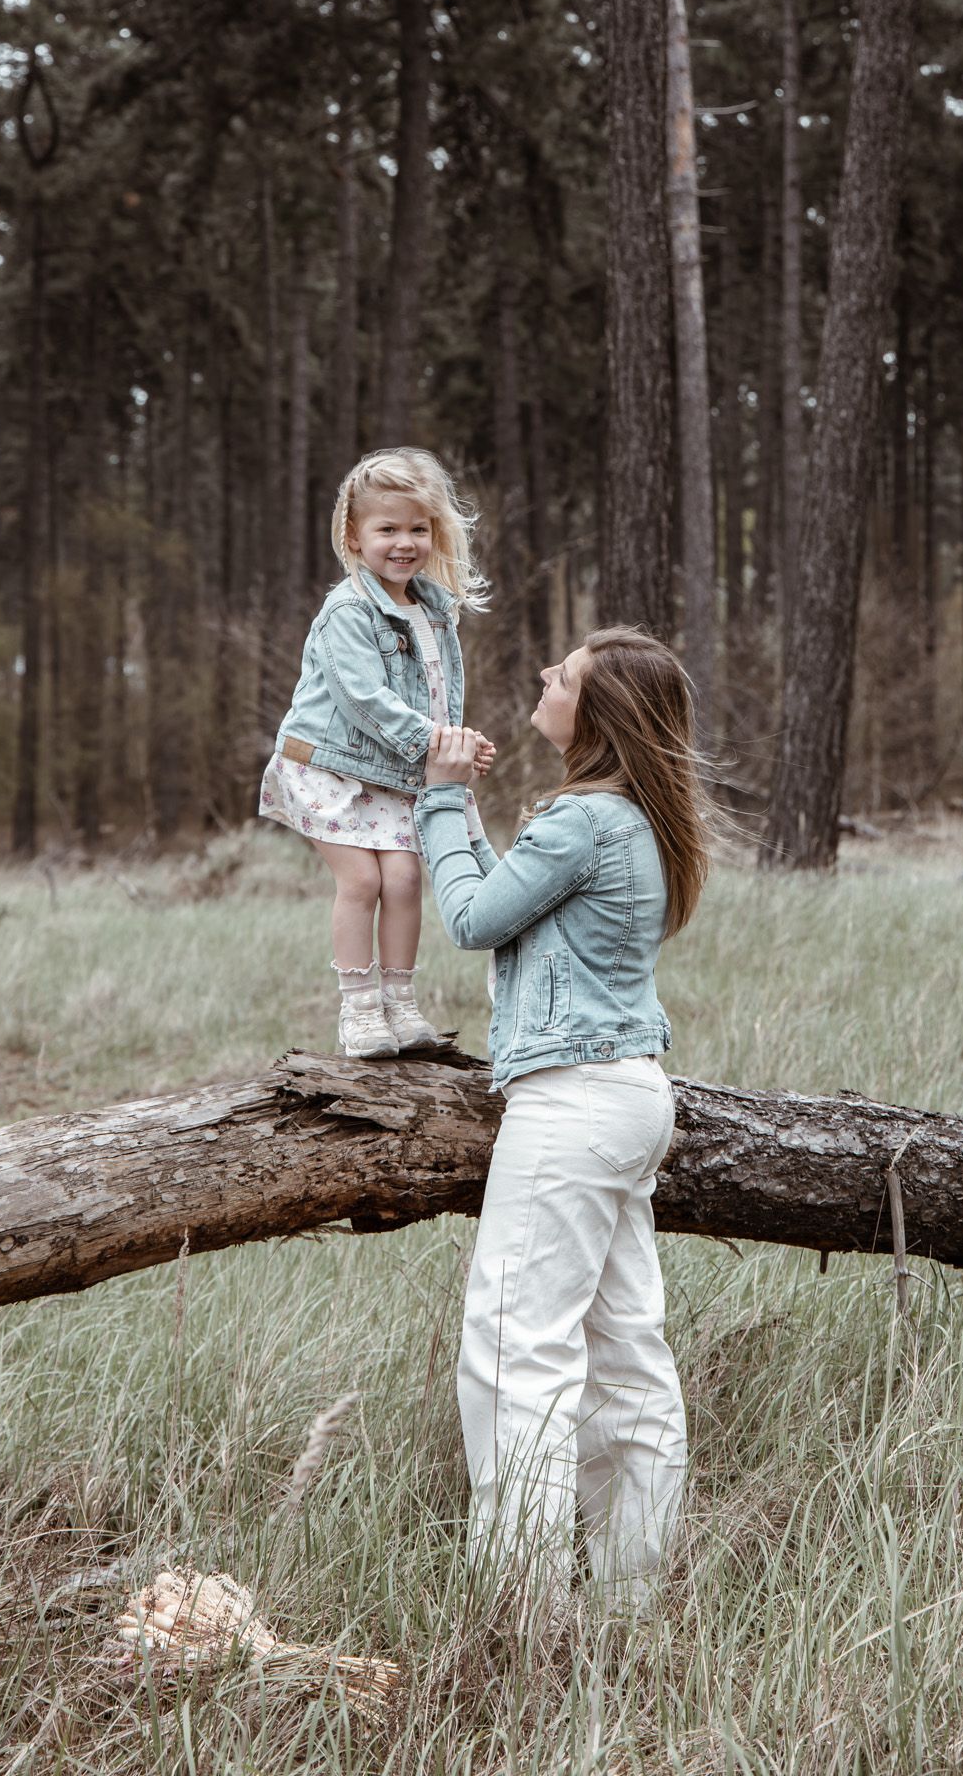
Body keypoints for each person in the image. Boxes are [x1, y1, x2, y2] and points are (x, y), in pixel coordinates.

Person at [414, 627, 709, 1610]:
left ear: (600, 713)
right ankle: (630, 1603)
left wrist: (440, 798)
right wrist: (465, 808)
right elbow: (511, 898)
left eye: (566, 675)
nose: (546, 675)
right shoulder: (631, 817)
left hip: (571, 1102)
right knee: (626, 1356)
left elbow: (470, 918)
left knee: (515, 1349)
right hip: (629, 1096)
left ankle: (520, 1612)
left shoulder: (584, 820)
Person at [260, 448, 497, 1059]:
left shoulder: (435, 610)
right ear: (353, 535)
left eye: (418, 528)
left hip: (392, 770)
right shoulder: (348, 610)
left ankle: (401, 1003)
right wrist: (436, 745)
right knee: (362, 879)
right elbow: (364, 699)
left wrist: (459, 745)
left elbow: (436, 695)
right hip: (327, 766)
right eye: (387, 529)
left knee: (406, 878)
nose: (404, 543)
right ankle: (360, 1009)